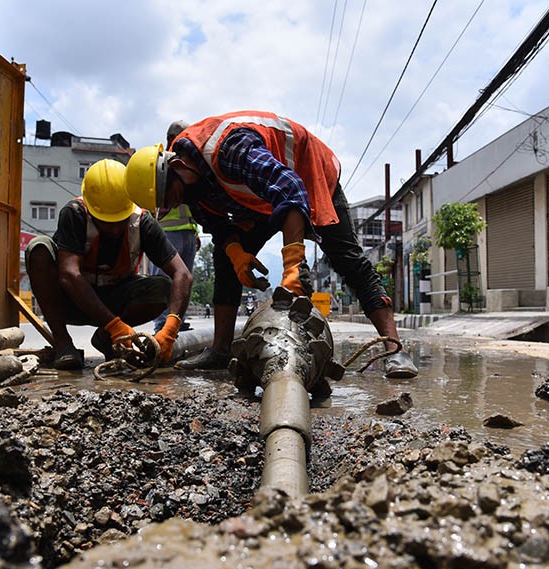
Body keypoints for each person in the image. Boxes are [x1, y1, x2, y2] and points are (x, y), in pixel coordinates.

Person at [122, 110, 418, 378]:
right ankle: (221, 351)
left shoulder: (231, 149)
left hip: (307, 172)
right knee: (224, 259)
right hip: (261, 195)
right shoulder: (191, 184)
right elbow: (218, 225)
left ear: (177, 166)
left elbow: (289, 187)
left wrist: (292, 264)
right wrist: (237, 254)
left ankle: (394, 350)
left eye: (171, 196)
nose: (175, 204)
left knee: (347, 260)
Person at [25, 159, 192, 370]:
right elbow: (68, 274)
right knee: (38, 248)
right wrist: (115, 325)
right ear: (92, 209)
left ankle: (107, 339)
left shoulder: (142, 222)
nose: (113, 230)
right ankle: (64, 345)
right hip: (70, 301)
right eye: (106, 221)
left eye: (118, 221)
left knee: (161, 288)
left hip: (116, 301)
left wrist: (171, 329)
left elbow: (182, 275)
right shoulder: (74, 213)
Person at [149, 121, 200, 333]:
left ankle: (177, 320)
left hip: (187, 232)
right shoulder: (159, 163)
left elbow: (192, 203)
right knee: (165, 280)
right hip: (166, 232)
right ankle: (162, 323)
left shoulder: (186, 163)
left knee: (184, 279)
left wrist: (195, 232)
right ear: (172, 138)